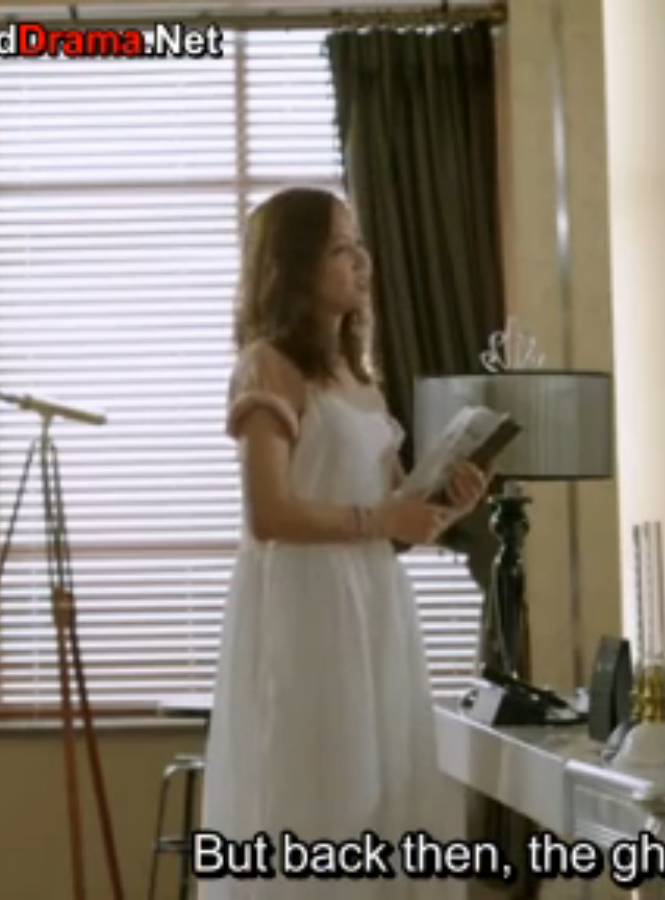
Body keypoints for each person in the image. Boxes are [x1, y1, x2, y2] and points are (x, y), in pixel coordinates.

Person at [200, 187, 491, 899]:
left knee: (386, 789)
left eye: (359, 244)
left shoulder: (358, 377)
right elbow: (270, 514)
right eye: (340, 247)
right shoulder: (268, 365)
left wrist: (446, 504)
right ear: (295, 266)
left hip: (373, 602)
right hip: (305, 608)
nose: (362, 260)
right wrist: (381, 520)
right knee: (319, 796)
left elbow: (393, 518)